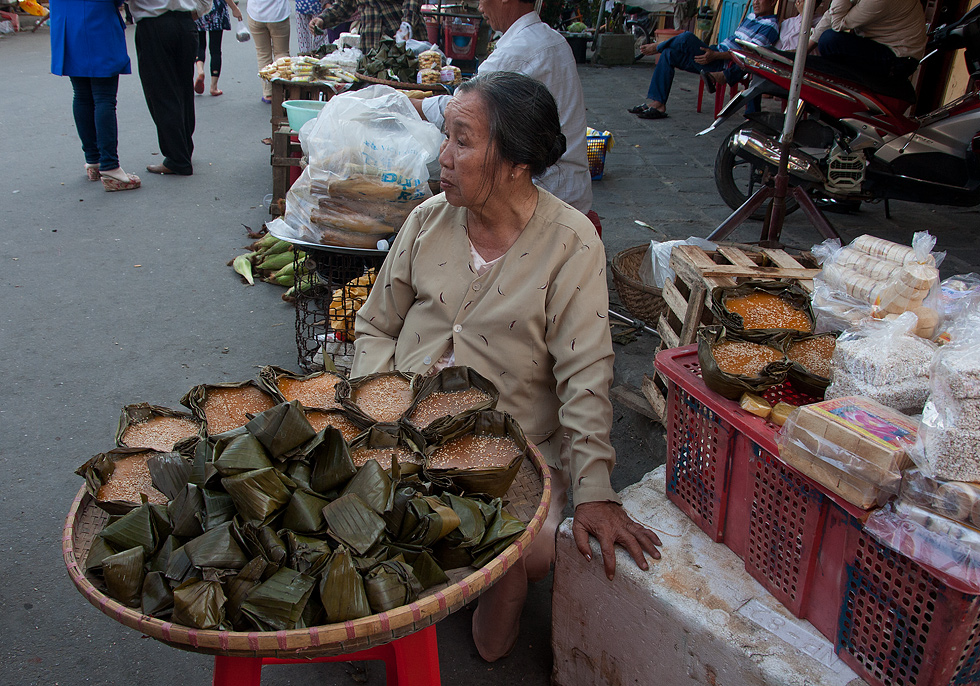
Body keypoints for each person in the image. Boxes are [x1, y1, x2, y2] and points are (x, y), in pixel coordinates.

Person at [352, 71, 663, 663]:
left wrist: (594, 491)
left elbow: (586, 375)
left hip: (511, 446)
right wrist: (377, 402)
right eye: (446, 138)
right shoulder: (428, 221)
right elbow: (376, 325)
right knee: (362, 506)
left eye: (462, 142)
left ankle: (500, 581)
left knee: (534, 551)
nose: (443, 157)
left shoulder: (571, 244)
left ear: (518, 162)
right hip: (405, 423)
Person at [415, 0, 593, 217]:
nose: (480, 8)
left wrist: (410, 105)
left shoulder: (519, 51)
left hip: (548, 195)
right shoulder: (553, 40)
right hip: (572, 189)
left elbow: (459, 109)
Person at [630, 0, 779, 119]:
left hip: (722, 62)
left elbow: (748, 54)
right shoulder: (752, 17)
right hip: (715, 52)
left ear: (773, 2)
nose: (755, 2)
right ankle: (658, 104)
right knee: (669, 53)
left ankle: (657, 47)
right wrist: (714, 52)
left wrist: (715, 56)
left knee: (686, 37)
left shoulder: (770, 26)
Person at [50, 0, 141, 191]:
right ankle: (110, 166)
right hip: (96, 20)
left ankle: (93, 161)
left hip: (66, 22)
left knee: (82, 94)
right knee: (104, 97)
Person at [128, 0, 199, 176]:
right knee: (183, 90)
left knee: (162, 92)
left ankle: (177, 158)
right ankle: (183, 148)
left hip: (155, 24)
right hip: (185, 22)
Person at [809, 0, 926, 78]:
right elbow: (831, 14)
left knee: (829, 41)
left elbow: (838, 23)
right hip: (885, 49)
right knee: (829, 41)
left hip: (899, 59)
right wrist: (802, 50)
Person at [309, 0, 422, 53]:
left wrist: (407, 24)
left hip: (401, 37)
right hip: (371, 43)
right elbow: (345, 5)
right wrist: (322, 19)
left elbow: (412, 2)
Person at [194, 0, 243, 96]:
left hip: (200, 8)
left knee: (200, 45)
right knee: (215, 50)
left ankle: (200, 71)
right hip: (216, 9)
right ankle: (213, 87)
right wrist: (234, 8)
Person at [246, 0, 291, 103]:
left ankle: (268, 93)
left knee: (263, 54)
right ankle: (282, 91)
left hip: (255, 13)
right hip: (278, 14)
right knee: (281, 53)